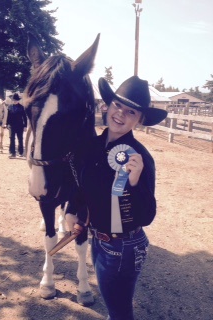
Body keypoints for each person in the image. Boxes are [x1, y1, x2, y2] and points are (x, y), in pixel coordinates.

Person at [66, 75, 167, 320]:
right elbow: (81, 184)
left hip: (125, 247)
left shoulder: (140, 157)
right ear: (107, 105)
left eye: (131, 112)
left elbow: (147, 215)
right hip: (99, 241)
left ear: (140, 121)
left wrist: (134, 182)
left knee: (120, 313)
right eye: (117, 105)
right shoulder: (91, 146)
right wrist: (71, 208)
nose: (120, 114)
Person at [6, 93, 27, 158]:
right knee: (12, 139)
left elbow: (24, 117)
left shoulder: (22, 107)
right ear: (12, 100)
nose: (15, 101)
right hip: (11, 125)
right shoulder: (9, 107)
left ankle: (20, 152)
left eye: (16, 100)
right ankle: (12, 153)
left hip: (20, 126)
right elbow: (7, 117)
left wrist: (25, 126)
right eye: (14, 100)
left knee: (20, 139)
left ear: (18, 100)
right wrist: (6, 124)